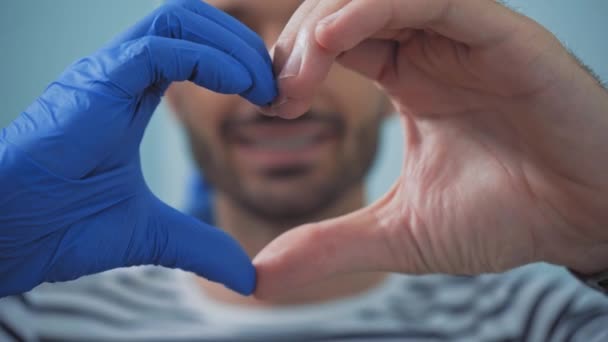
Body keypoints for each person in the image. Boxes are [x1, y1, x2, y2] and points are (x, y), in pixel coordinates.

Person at [0, 0, 607, 340]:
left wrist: (600, 231)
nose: (276, 87)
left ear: (392, 85)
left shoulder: (540, 323)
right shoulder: (33, 319)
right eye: (225, 32)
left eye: (328, 36)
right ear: (171, 90)